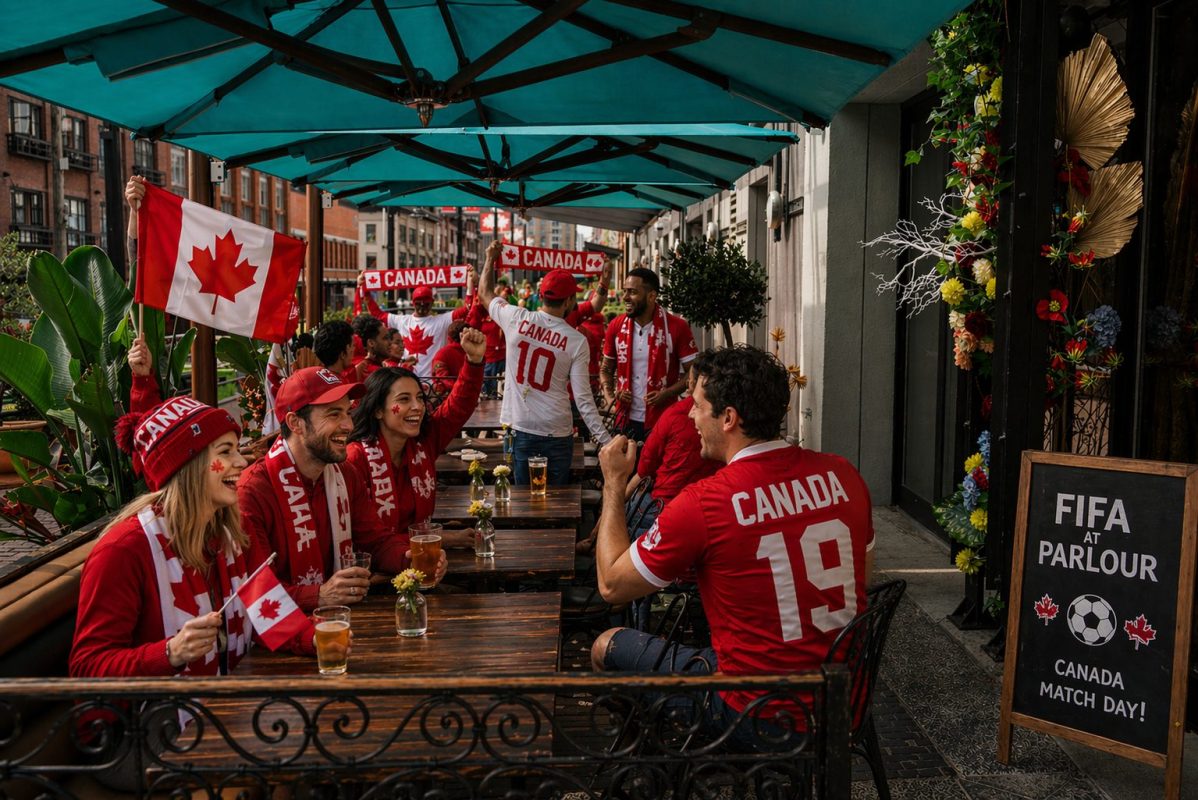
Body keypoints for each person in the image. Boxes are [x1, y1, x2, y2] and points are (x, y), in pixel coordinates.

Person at [590, 346, 874, 747]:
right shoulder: (844, 474)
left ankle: (647, 769)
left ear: (728, 418)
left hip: (757, 712)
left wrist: (615, 485)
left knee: (607, 643)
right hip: (845, 700)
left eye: (698, 405)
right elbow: (864, 573)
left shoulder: (704, 502)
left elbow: (612, 586)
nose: (689, 414)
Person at [72, 396, 316, 679]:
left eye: (237, 449)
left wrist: (317, 638)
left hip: (229, 706)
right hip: (161, 718)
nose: (241, 461)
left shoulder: (238, 529)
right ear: (188, 466)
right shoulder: (123, 550)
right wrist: (171, 652)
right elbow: (87, 670)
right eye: (225, 452)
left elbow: (272, 616)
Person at [237, 367, 445, 610]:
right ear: (295, 423)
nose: (348, 424)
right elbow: (256, 591)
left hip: (342, 620)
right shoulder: (252, 492)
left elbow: (375, 541)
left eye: (348, 412)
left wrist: (410, 558)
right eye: (334, 414)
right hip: (281, 636)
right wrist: (319, 595)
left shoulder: (345, 473)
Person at [478, 240, 611, 486]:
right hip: (558, 431)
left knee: (523, 504)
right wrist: (606, 440)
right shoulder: (576, 341)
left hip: (522, 429)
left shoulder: (515, 318)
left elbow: (485, 294)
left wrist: (489, 258)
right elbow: (583, 400)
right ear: (571, 300)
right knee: (557, 503)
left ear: (540, 296)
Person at [346, 328, 487, 552]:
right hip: (376, 573)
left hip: (423, 560)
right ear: (378, 411)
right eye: (404, 399)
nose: (417, 407)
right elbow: (365, 539)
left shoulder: (424, 441)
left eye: (420, 398)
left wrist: (474, 360)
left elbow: (458, 406)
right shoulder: (355, 459)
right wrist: (442, 538)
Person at [601, 268, 698, 441]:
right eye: (625, 291)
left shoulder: (677, 327)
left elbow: (694, 373)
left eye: (633, 292)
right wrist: (611, 398)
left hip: (663, 420)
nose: (625, 297)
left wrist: (666, 393)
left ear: (652, 296)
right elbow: (606, 369)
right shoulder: (616, 326)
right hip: (624, 420)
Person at [357, 278, 457, 378]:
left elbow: (468, 310)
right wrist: (365, 291)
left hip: (431, 386)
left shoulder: (442, 320)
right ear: (413, 303)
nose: (422, 307)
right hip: (406, 380)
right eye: (418, 303)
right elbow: (378, 314)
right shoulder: (401, 321)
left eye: (426, 304)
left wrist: (471, 285)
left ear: (432, 302)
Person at [430, 319, 470, 399]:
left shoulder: (442, 353)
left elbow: (442, 378)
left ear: (449, 337)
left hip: (447, 398)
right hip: (467, 395)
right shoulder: (472, 351)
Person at [312, 320, 358, 384]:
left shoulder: (314, 380)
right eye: (353, 345)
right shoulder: (342, 386)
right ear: (343, 354)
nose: (354, 349)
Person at [353, 314, 389, 382]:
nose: (390, 342)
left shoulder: (360, 364)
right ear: (371, 343)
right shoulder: (371, 371)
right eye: (385, 338)